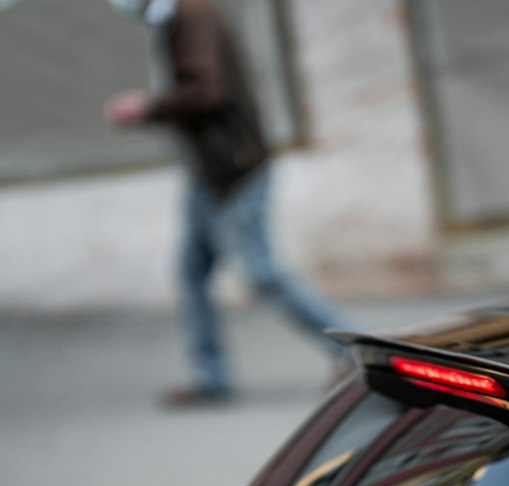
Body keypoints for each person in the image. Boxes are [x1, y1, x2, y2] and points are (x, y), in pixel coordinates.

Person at [105, 0, 346, 405]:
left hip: (236, 168)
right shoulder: (172, 21)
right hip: (210, 172)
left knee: (263, 273)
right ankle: (210, 377)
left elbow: (208, 91)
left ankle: (353, 351)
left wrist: (148, 108)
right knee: (193, 273)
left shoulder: (192, 16)